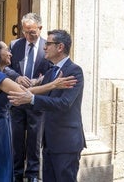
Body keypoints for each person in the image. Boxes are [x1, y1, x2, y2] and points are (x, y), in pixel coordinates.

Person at [0, 38, 76, 182]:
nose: (10, 53)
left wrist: (42, 82)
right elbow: (26, 92)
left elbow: (25, 91)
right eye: (6, 50)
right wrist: (53, 85)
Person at [8, 29, 86, 182]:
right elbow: (39, 99)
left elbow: (64, 104)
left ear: (60, 47)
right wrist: (23, 100)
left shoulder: (74, 71)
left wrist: (31, 99)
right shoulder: (51, 72)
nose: (44, 47)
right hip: (49, 142)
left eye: (48, 44)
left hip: (66, 143)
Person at [8, 12, 52, 182]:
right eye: (25, 32)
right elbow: (5, 68)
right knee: (16, 142)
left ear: (40, 28)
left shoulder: (47, 46)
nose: (28, 36)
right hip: (17, 102)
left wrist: (39, 80)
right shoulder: (14, 45)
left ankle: (33, 176)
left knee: (34, 143)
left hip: (36, 102)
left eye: (32, 32)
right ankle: (16, 174)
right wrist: (16, 77)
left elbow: (52, 72)